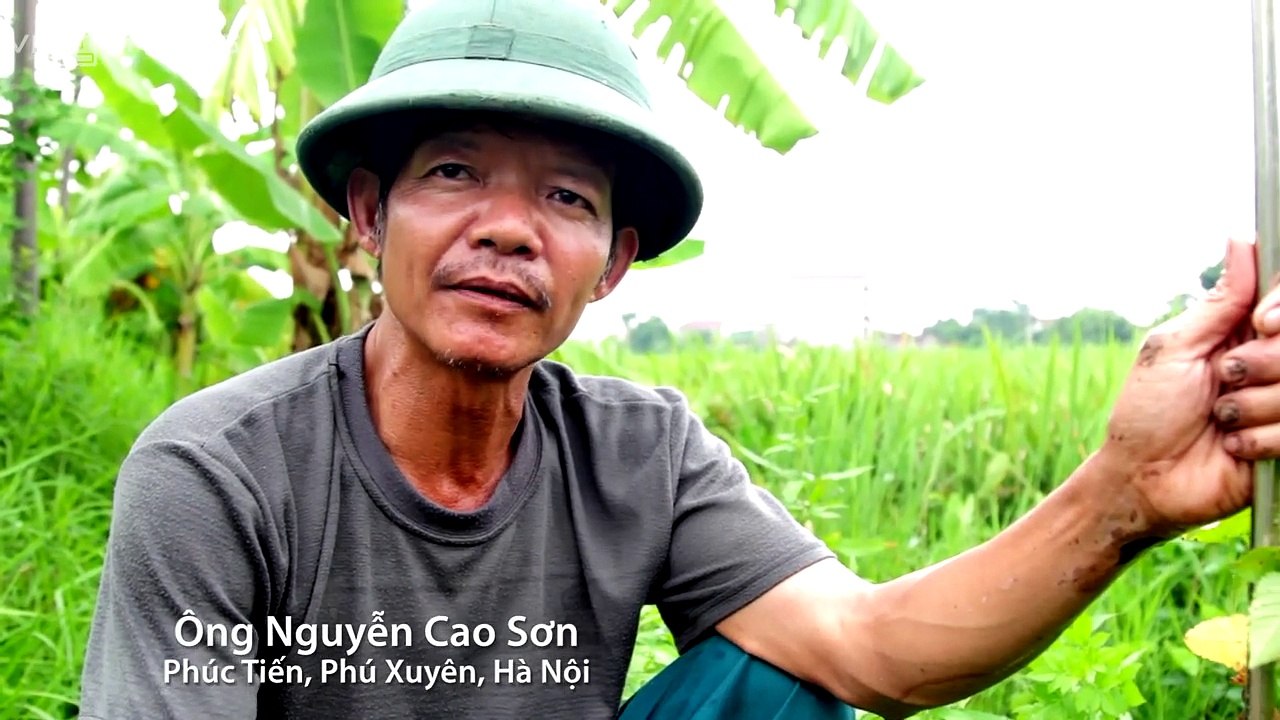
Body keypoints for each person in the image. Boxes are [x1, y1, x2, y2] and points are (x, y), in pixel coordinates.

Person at [77, 0, 1280, 718]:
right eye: (452, 171)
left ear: (608, 265)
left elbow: (870, 649)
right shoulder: (216, 475)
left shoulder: (635, 452)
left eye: (564, 195)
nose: (507, 225)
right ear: (364, 215)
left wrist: (1120, 495)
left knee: (772, 686)